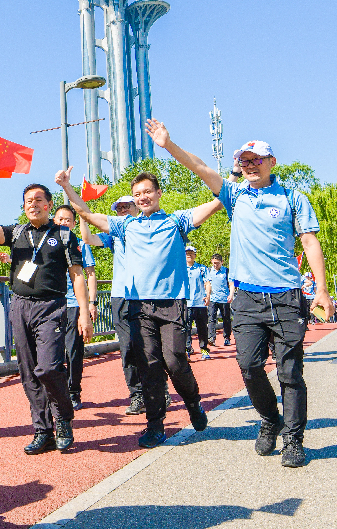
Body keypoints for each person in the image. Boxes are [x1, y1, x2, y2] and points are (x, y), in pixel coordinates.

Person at [146, 121, 333, 468]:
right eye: (244, 161)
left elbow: (309, 241)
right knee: (249, 366)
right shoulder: (234, 196)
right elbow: (199, 167)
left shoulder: (293, 198)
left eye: (256, 160)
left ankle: (294, 440)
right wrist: (168, 144)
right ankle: (270, 418)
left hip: (287, 296)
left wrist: (321, 288)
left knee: (290, 373)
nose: (249, 166)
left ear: (272, 162)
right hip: (247, 298)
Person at [57, 167, 224, 448]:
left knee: (175, 361)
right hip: (139, 306)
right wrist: (66, 186)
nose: (143, 197)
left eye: (147, 192)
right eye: (137, 194)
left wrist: (232, 179)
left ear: (158, 193)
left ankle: (193, 402)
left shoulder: (176, 221)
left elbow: (215, 204)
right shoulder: (126, 226)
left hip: (172, 303)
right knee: (149, 366)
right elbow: (86, 213)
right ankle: (155, 426)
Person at [0, 182, 92, 454]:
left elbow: (77, 275)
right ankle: (43, 430)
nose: (33, 204)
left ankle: (63, 418)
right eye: (28, 200)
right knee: (29, 372)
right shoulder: (17, 233)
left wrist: (84, 313)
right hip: (20, 306)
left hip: (51, 306)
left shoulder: (63, 235)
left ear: (49, 205)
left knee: (50, 368)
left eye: (39, 199)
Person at [79, 195, 148, 416]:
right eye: (119, 209)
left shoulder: (148, 227)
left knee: (150, 346)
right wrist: (82, 215)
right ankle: (137, 395)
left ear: (136, 207)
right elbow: (88, 238)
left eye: (127, 206)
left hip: (146, 295)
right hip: (120, 295)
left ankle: (159, 389)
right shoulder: (114, 234)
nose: (123, 211)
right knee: (127, 348)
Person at [53, 204, 99, 410]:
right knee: (51, 352)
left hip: (73, 304)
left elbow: (90, 274)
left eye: (68, 220)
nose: (63, 222)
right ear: (54, 221)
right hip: (52, 305)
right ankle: (56, 393)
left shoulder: (80, 244)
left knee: (73, 351)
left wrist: (91, 303)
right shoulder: (47, 242)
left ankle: (73, 392)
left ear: (73, 224)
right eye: (60, 219)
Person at [184, 245, 211, 359]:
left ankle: (204, 349)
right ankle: (187, 349)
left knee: (202, 328)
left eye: (191, 253)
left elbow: (207, 283)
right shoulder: (181, 269)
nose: (189, 255)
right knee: (186, 328)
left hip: (200, 303)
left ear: (195, 255)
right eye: (187, 253)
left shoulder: (202, 268)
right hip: (186, 303)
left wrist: (208, 295)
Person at [206, 253, 233, 346]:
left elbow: (231, 284)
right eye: (214, 263)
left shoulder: (226, 271)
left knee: (226, 319)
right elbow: (206, 283)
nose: (215, 265)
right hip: (213, 299)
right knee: (211, 318)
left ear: (222, 262)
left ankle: (227, 338)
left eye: (217, 263)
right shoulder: (209, 271)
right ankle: (211, 338)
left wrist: (231, 295)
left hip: (224, 299)